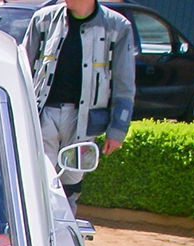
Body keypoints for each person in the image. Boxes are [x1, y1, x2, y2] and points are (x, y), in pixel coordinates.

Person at [23, 0, 136, 213]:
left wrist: (117, 129)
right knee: (39, 180)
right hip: (44, 114)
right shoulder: (43, 19)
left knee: (71, 183)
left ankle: (65, 234)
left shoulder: (118, 27)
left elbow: (124, 83)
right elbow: (24, 67)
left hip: (83, 121)